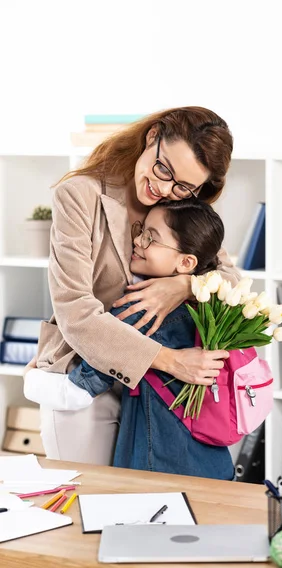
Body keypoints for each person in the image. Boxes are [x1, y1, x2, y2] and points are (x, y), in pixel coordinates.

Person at [26, 107, 240, 465]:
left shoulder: (180, 202)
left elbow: (231, 279)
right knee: (90, 506)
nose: (165, 188)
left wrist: (184, 286)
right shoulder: (80, 195)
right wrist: (169, 361)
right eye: (164, 169)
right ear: (153, 136)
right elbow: (76, 313)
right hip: (84, 377)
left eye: (183, 185)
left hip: (153, 395)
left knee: (146, 510)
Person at [25, 199, 235, 480]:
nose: (137, 241)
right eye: (141, 231)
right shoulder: (216, 309)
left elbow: (78, 391)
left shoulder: (139, 309)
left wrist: (31, 379)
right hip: (214, 465)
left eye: (151, 238)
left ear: (186, 262)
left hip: (157, 467)